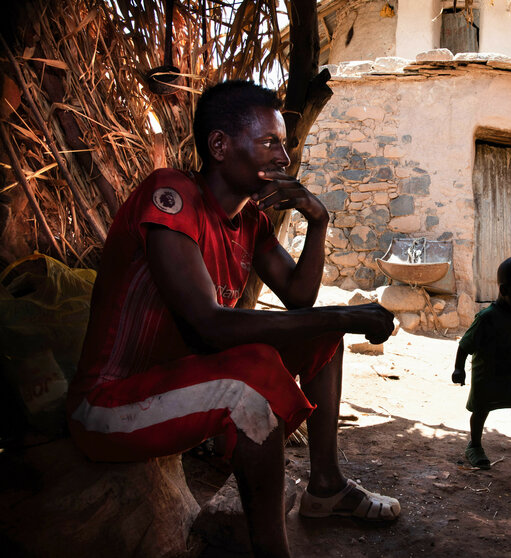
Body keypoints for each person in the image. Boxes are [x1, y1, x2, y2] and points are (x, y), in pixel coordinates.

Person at [67, 80, 400, 558]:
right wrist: (346, 313)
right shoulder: (171, 196)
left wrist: (319, 222)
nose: (283, 158)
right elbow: (210, 325)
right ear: (220, 145)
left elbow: (300, 298)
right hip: (109, 403)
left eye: (283, 145)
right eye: (270, 143)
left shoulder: (250, 221)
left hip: (181, 382)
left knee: (323, 335)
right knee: (253, 377)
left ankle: (325, 487)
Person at [451, 256, 511, 471]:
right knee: (481, 410)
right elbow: (465, 345)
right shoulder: (487, 317)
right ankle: (474, 446)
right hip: (487, 374)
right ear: (505, 291)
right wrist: (459, 368)